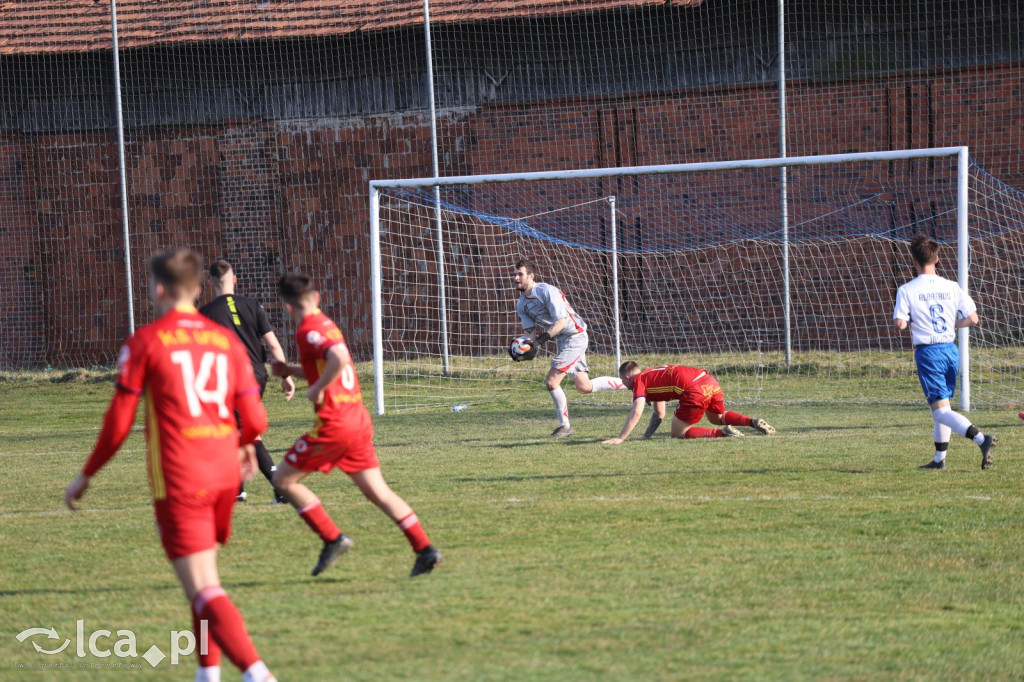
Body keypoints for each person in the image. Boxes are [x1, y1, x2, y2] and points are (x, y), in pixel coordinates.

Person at [63, 248, 276, 682]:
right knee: (200, 582)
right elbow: (254, 419)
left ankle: (257, 673)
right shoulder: (225, 343)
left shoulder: (145, 342)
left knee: (204, 588)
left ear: (158, 289)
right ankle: (207, 673)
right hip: (224, 475)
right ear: (199, 290)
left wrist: (86, 475)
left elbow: (118, 423)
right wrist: (247, 445)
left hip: (182, 477)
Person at [269, 273, 442, 577]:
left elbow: (336, 360)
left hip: (335, 424)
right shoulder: (325, 323)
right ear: (317, 297)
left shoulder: (307, 329)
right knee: (378, 491)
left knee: (283, 480)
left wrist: (318, 387)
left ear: (287, 307)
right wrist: (290, 370)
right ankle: (425, 549)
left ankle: (333, 539)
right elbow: (332, 365)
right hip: (357, 420)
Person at [893, 232, 995, 470]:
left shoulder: (907, 289)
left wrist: (908, 322)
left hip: (929, 353)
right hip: (950, 350)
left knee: (940, 412)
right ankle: (939, 460)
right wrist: (954, 324)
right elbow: (973, 318)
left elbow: (900, 323)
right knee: (943, 407)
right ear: (937, 259)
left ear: (914, 261)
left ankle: (981, 439)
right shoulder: (951, 286)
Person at [200, 258, 295, 503]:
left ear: (211, 283)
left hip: (230, 378)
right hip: (257, 375)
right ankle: (237, 490)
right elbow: (273, 344)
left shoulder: (206, 313)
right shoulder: (253, 305)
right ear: (234, 279)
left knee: (246, 433)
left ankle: (281, 488)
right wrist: (285, 376)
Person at [512, 258, 626, 438]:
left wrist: (539, 342)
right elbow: (529, 334)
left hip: (575, 337)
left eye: (520, 274)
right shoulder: (521, 303)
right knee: (584, 386)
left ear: (531, 276)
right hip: (563, 340)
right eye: (515, 274)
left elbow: (561, 322)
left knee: (551, 382)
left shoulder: (547, 292)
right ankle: (634, 383)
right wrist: (520, 348)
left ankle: (564, 426)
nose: (516, 278)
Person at [601, 362, 775, 444]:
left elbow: (636, 411)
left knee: (678, 434)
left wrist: (620, 438)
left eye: (622, 381)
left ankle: (723, 433)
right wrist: (646, 435)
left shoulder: (639, 381)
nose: (623, 385)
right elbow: (659, 413)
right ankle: (751, 421)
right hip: (709, 380)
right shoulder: (651, 377)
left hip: (693, 390)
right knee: (717, 417)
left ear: (627, 377)